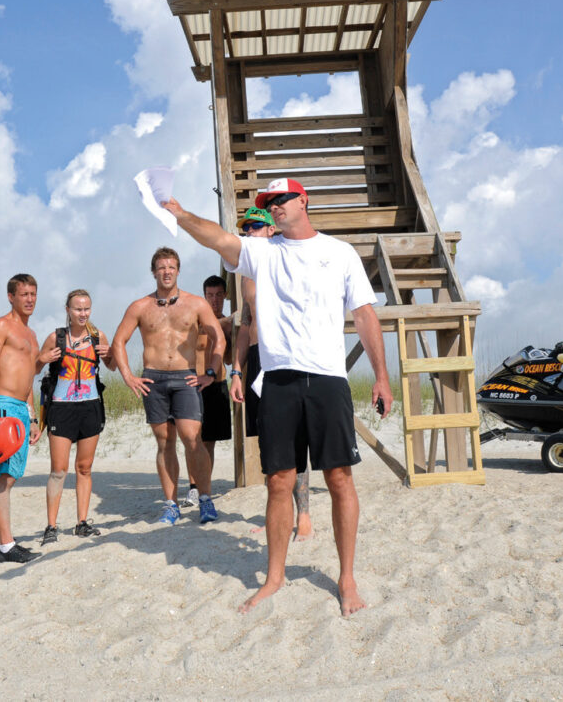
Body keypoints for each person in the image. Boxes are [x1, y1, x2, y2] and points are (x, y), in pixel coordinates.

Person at [162, 178, 393, 617]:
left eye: (281, 200)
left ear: (304, 200)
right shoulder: (263, 253)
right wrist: (180, 213)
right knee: (278, 482)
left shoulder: (340, 253)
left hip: (327, 379)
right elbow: (219, 237)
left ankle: (346, 579)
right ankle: (274, 576)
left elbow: (364, 315)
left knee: (340, 478)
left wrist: (381, 376)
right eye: (268, 203)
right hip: (279, 381)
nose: (274, 208)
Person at [111, 247, 224, 526]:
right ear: (153, 271)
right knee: (164, 443)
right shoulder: (139, 306)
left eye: (171, 266)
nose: (166, 271)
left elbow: (218, 338)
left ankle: (205, 499)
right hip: (154, 379)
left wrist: (210, 372)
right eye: (161, 267)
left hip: (185, 377)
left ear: (178, 270)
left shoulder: (196, 304)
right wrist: (128, 375)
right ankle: (171, 504)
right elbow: (118, 342)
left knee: (193, 439)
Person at [231, 207, 313, 542]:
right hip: (256, 357)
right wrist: (236, 370)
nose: (248, 231)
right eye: (245, 228)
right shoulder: (246, 274)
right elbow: (245, 324)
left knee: (297, 438)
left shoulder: (287, 258)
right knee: (269, 440)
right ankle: (277, 514)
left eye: (254, 226)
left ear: (269, 230)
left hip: (287, 355)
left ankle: (304, 514)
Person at [38, 289, 116, 544]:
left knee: (84, 468)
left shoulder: (97, 336)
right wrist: (43, 358)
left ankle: (82, 522)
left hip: (90, 406)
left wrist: (110, 355)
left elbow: (112, 366)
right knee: (58, 470)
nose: (82, 314)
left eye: (86, 309)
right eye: (77, 309)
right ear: (68, 311)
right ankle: (51, 526)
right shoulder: (56, 337)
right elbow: (35, 366)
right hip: (61, 407)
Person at [0, 273, 45, 564]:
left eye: (33, 294)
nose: (29, 299)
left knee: (11, 476)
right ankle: (6, 545)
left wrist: (32, 416)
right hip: (1, 405)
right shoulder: (1, 325)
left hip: (20, 408)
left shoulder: (31, 335)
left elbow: (29, 379)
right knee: (1, 478)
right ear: (11, 297)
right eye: (24, 294)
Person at [181, 274, 233, 508]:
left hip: (217, 385)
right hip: (194, 385)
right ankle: (193, 488)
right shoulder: (197, 322)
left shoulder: (229, 325)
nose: (214, 300)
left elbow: (230, 359)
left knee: (209, 442)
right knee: (193, 440)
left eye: (219, 295)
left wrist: (233, 327)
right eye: (210, 295)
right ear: (204, 296)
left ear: (225, 296)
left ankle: (204, 487)